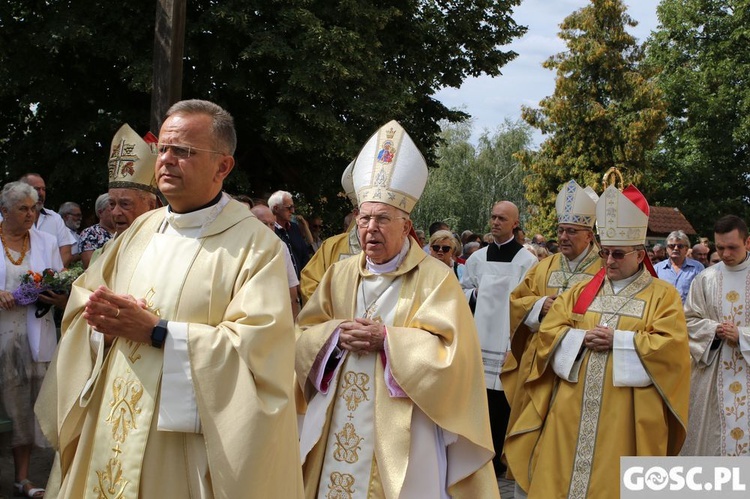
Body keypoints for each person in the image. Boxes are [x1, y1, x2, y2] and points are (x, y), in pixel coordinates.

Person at [36, 100, 303, 497]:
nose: (167, 160)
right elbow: (83, 301)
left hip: (180, 441)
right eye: (163, 149)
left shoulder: (255, 246)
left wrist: (158, 332)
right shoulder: (139, 230)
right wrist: (101, 325)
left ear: (223, 166)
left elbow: (260, 354)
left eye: (184, 151)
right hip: (111, 418)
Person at [296, 120, 498, 498]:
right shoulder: (338, 274)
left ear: (406, 226)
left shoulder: (436, 278)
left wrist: (387, 339)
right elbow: (303, 333)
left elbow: (454, 355)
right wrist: (334, 335)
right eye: (364, 219)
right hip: (337, 413)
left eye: (382, 219)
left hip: (406, 423)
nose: (370, 228)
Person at [507, 184, 689, 498]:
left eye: (618, 254)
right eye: (605, 253)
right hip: (570, 411)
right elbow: (550, 330)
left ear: (640, 254)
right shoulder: (582, 291)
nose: (609, 261)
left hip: (625, 415)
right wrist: (578, 338)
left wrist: (618, 341)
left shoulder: (663, 295)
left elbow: (671, 348)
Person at [502, 180, 601, 494]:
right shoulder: (544, 267)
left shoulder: (604, 269)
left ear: (589, 234)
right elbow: (516, 302)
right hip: (537, 365)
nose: (563, 236)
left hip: (578, 367)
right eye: (561, 230)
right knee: (531, 431)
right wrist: (536, 307)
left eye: (572, 231)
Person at [460, 200, 537, 477]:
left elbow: (527, 303)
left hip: (506, 343)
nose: (495, 222)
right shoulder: (477, 258)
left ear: (515, 223)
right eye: (493, 217)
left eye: (502, 218)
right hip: (478, 341)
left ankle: (498, 460)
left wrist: (514, 347)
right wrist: (475, 295)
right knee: (479, 401)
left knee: (502, 403)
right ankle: (475, 457)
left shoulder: (527, 261)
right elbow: (461, 293)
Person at [0, 182, 63, 498]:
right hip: (1, 336)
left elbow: (60, 284)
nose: (30, 214)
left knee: (25, 410)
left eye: (34, 207)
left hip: (33, 335)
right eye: (23, 208)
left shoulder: (47, 241)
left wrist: (52, 294)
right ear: (4, 211)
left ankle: (22, 479)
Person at [681, 215, 750, 456]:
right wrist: (714, 330)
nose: (726, 253)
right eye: (720, 247)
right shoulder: (705, 279)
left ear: (748, 243)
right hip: (713, 374)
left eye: (733, 247)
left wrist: (741, 335)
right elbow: (687, 320)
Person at [299, 161, 361, 304]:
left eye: (383, 217)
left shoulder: (405, 252)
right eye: (367, 215)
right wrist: (334, 318)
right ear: (356, 214)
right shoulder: (332, 247)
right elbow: (310, 284)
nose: (373, 225)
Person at [251, 204, 302, 319]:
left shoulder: (281, 247)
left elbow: (291, 285)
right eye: (264, 224)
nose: (269, 228)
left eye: (272, 224)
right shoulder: (242, 248)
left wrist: (294, 321)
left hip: (278, 313)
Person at [18, 174, 77, 267]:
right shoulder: (8, 220)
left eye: (43, 189)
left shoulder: (55, 218)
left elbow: (66, 251)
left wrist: (51, 277)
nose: (41, 193)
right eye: (36, 189)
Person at [269, 190, 312, 278]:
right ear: (276, 208)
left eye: (293, 207)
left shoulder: (294, 228)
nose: (292, 211)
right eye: (289, 208)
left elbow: (304, 255)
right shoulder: (269, 231)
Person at [655, 230, 704, 302]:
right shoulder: (657, 269)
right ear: (667, 249)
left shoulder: (697, 268)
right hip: (664, 312)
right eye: (672, 246)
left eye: (680, 246)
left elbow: (703, 294)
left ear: (686, 249)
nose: (675, 248)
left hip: (688, 312)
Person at [78, 193, 115, 269]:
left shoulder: (125, 231)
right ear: (100, 213)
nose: (116, 212)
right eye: (112, 209)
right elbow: (90, 265)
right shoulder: (89, 233)